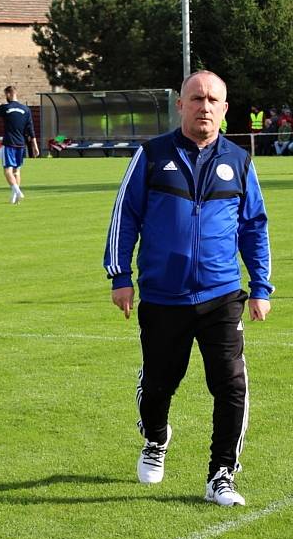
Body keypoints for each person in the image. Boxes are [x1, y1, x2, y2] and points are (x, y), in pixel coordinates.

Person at [103, 70, 272, 507]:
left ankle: (221, 475)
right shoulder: (152, 155)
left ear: (225, 109)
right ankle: (156, 439)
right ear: (180, 105)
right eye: (196, 98)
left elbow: (254, 226)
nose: (205, 106)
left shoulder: (239, 161)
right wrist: (120, 277)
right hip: (162, 297)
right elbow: (126, 216)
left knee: (231, 386)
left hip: (221, 296)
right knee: (160, 384)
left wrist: (261, 287)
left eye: (213, 99)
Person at [0, 85, 40, 204]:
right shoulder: (26, 109)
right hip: (21, 144)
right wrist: (35, 146)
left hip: (9, 143)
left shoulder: (5, 107)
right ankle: (15, 197)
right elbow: (30, 129)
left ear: (8, 94)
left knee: (7, 170)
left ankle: (17, 191)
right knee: (17, 171)